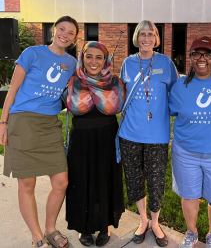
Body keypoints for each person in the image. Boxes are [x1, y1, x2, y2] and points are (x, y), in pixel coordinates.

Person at [0, 16, 79, 248]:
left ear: (75, 38)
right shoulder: (32, 53)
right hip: (23, 122)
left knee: (61, 182)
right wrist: (3, 122)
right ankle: (37, 237)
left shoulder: (72, 63)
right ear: (54, 30)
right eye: (62, 29)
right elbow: (12, 91)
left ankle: (50, 228)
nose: (65, 34)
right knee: (27, 184)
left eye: (71, 32)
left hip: (50, 126)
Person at [169, 36, 211, 248]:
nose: (202, 58)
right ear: (190, 57)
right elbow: (171, 112)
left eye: (207, 54)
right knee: (189, 194)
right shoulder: (180, 86)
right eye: (196, 53)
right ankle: (191, 233)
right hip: (186, 152)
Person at [118, 20, 178, 247]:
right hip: (130, 133)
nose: (146, 38)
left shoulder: (166, 62)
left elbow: (177, 93)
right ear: (136, 37)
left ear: (156, 38)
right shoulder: (127, 63)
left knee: (155, 181)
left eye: (150, 34)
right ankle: (142, 220)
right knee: (134, 180)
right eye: (142, 34)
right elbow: (121, 93)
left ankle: (155, 222)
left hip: (158, 134)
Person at [62, 41, 126, 247]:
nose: (93, 61)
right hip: (80, 139)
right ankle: (84, 228)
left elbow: (120, 106)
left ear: (106, 60)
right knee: (80, 182)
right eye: (89, 56)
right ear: (82, 58)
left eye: (99, 57)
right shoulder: (73, 81)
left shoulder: (115, 82)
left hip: (107, 137)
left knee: (105, 181)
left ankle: (104, 225)